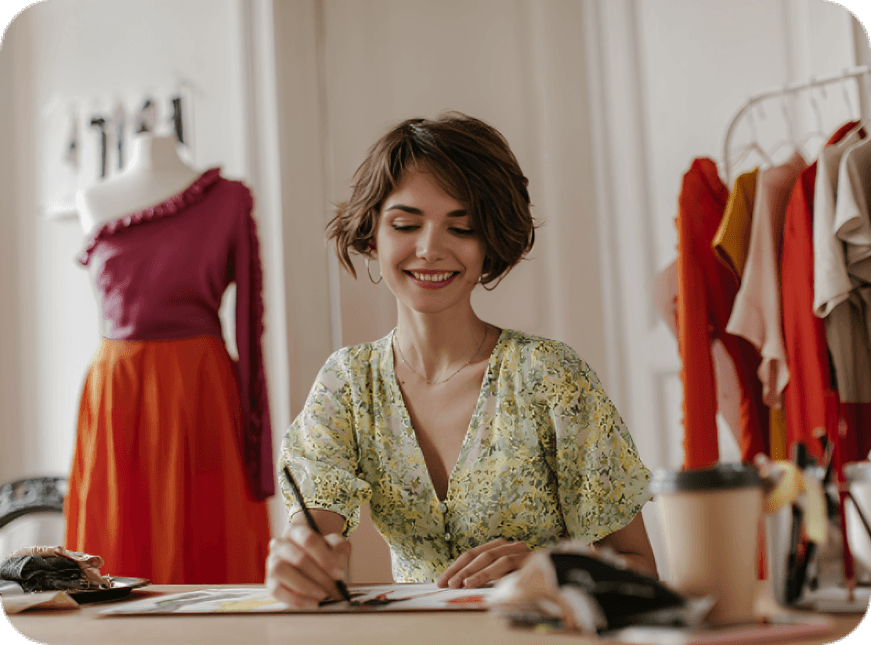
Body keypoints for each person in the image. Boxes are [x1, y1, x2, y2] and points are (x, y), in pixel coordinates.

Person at [266, 113, 656, 608]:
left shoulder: (550, 377)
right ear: (371, 236)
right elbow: (312, 531)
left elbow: (642, 570)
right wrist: (301, 564)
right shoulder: (347, 383)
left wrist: (555, 571)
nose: (430, 249)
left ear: (489, 242)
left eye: (463, 226)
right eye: (406, 224)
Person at [68, 134, 273, 584]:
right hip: (118, 393)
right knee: (117, 534)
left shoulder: (228, 200)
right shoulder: (92, 197)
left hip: (200, 389)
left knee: (207, 535)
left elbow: (249, 319)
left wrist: (257, 434)